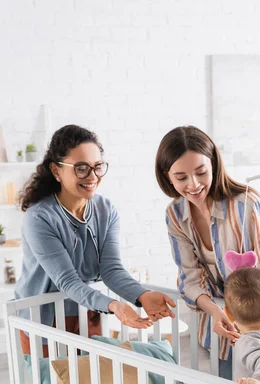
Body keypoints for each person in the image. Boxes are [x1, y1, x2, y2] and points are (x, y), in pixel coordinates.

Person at [155, 125, 260, 384]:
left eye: (201, 172)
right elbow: (190, 279)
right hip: (220, 318)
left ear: (214, 165)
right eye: (181, 177)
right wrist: (217, 311)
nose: (193, 185)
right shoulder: (175, 215)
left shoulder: (246, 205)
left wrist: (253, 323)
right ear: (168, 177)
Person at [16, 124, 175, 356]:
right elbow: (68, 281)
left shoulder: (105, 210)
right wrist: (113, 305)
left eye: (97, 167)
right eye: (81, 168)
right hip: (43, 317)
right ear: (57, 171)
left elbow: (111, 269)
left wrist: (142, 295)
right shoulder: (39, 218)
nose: (92, 177)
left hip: (86, 308)